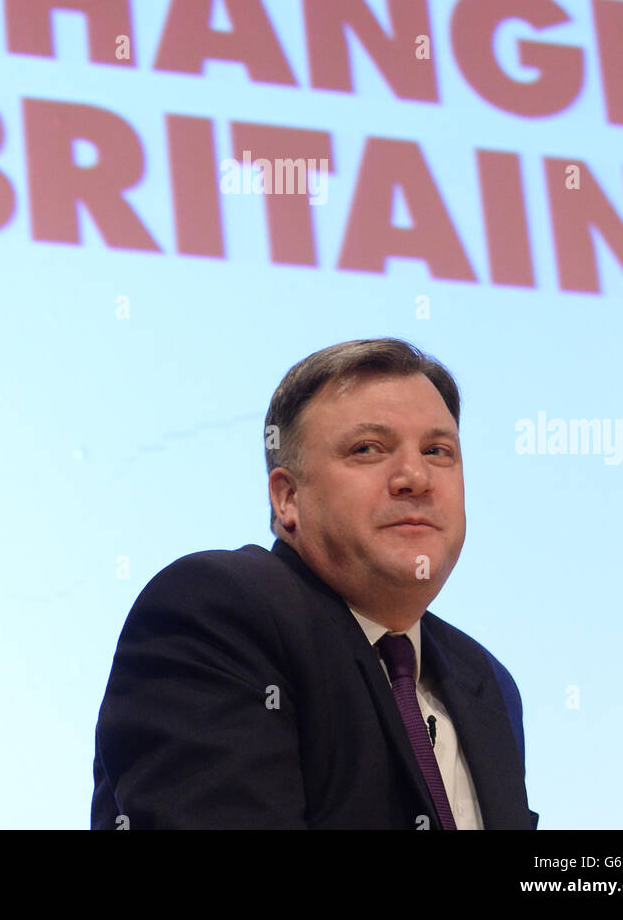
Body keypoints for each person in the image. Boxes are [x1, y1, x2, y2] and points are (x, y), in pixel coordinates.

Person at [90, 338, 538, 829]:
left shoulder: (487, 682)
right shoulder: (218, 611)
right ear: (287, 498)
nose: (415, 476)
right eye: (368, 449)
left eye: (438, 451)